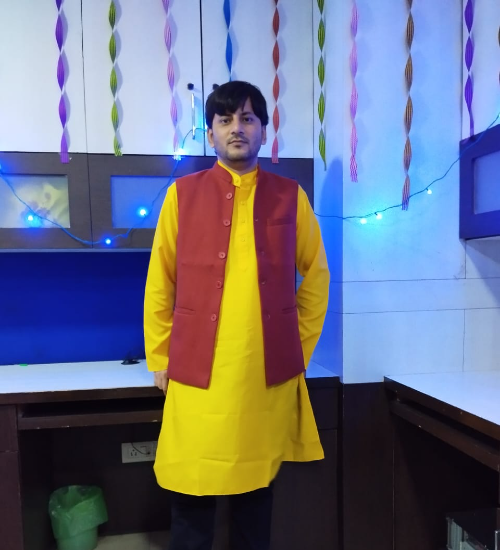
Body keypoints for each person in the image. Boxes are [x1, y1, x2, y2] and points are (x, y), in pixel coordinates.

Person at [144, 80, 329, 550]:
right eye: (225, 120)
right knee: (192, 497)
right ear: (210, 134)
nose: (237, 128)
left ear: (264, 130)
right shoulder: (181, 195)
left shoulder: (290, 196)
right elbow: (160, 282)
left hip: (260, 379)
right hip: (196, 378)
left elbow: (317, 277)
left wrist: (297, 348)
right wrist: (160, 357)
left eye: (247, 119)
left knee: (255, 500)